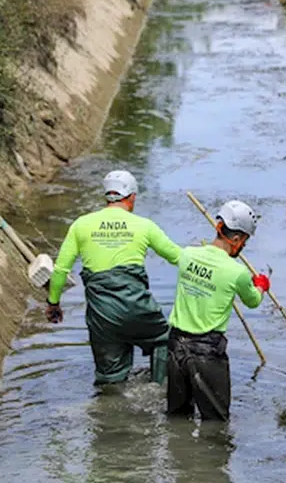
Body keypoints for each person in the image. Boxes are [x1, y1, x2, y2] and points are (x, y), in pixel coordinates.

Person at [47, 169, 182, 385]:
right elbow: (179, 258)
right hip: (138, 309)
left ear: (107, 196)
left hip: (102, 316)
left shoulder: (81, 225)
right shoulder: (145, 226)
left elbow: (61, 269)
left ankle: (109, 400)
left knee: (109, 378)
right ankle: (159, 389)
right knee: (165, 340)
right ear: (132, 197)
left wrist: (53, 303)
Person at [166, 200, 270, 422]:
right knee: (216, 423)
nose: (243, 247)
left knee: (177, 418)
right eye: (244, 242)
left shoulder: (188, 255)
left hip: (175, 348)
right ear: (236, 239)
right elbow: (252, 301)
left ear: (219, 227)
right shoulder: (237, 272)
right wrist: (261, 286)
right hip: (206, 353)